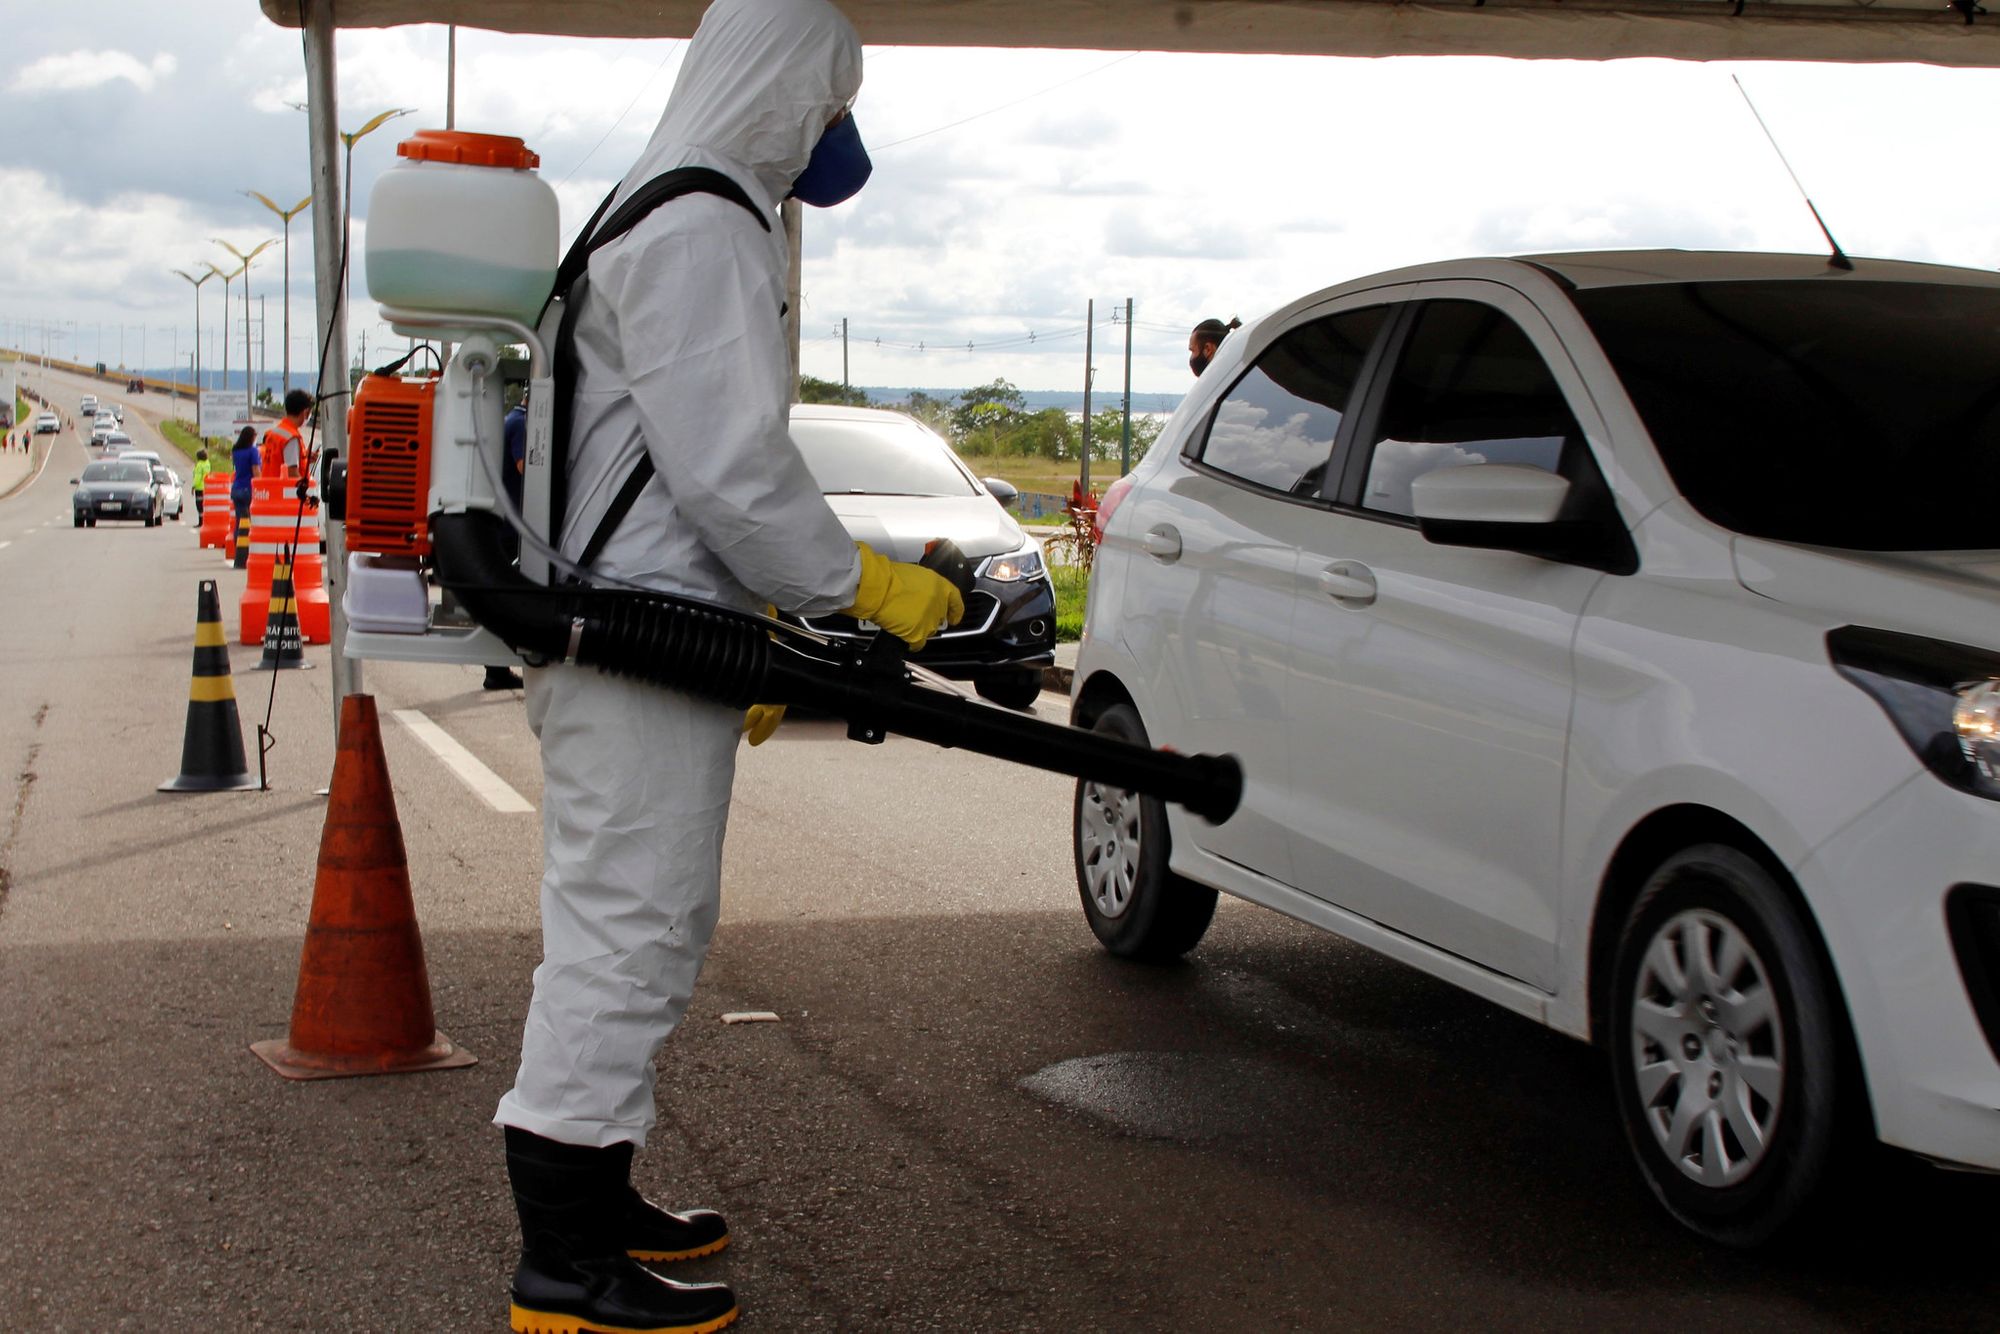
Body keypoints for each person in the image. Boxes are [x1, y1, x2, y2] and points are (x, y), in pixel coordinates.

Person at [493, 4, 963, 1333]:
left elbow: (676, 464)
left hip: (648, 633)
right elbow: (733, 473)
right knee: (625, 939)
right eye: (821, 112)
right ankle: (564, 1271)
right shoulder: (701, 226)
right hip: (636, 640)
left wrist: (748, 638)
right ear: (776, 90)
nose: (821, 140)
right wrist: (857, 584)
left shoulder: (655, 207)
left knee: (645, 927)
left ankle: (598, 1187)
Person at [483, 394, 528, 692]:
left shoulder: (509, 420)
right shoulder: (522, 424)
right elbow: (528, 468)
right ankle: (497, 668)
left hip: (500, 521)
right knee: (512, 597)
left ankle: (496, 668)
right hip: (512, 526)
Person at [260, 389, 314, 479]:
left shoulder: (273, 433)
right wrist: (306, 490)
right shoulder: (291, 438)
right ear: (305, 412)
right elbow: (292, 473)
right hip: (284, 491)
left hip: (269, 488)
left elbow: (278, 460)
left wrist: (304, 457)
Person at [229, 427, 259, 566]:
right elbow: (255, 470)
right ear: (251, 437)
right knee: (251, 523)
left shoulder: (236, 451)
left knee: (240, 522)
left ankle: (239, 551)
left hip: (236, 489)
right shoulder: (252, 451)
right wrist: (261, 484)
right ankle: (249, 552)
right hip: (249, 489)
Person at [190, 448, 211, 525]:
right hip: (206, 487)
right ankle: (205, 521)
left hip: (199, 487)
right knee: (205, 505)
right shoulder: (207, 463)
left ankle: (201, 522)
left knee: (199, 505)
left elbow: (197, 477)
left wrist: (193, 486)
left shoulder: (199, 465)